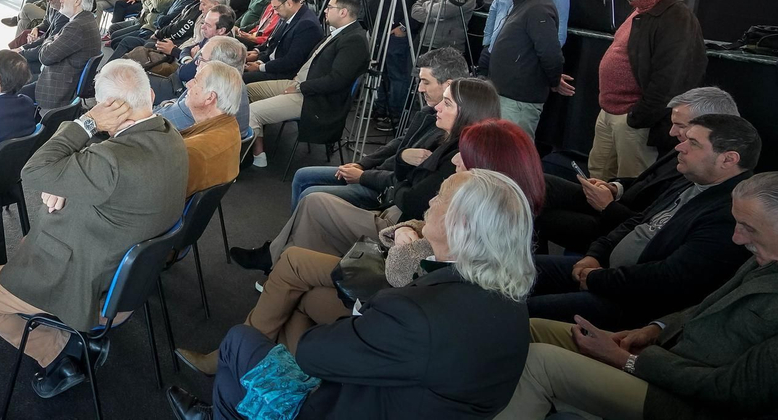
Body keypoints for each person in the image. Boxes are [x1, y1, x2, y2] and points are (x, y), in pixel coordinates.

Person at [499, 172, 778, 420]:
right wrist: (654, 328)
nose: (737, 238)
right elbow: (712, 304)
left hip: (688, 402)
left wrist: (631, 360)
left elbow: (735, 394)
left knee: (540, 362)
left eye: (747, 228)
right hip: (668, 359)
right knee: (531, 328)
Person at [167, 169, 535, 420]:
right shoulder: (513, 307)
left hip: (344, 405)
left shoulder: (418, 316)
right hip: (393, 392)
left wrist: (368, 311)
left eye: (439, 199)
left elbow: (312, 354)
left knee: (238, 340)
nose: (429, 205)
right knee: (295, 307)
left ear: (462, 226)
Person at [0, 61, 186, 399]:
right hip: (128, 277)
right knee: (26, 238)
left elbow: (33, 172)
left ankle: (59, 355)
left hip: (91, 289)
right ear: (150, 95)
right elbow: (103, 170)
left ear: (109, 108)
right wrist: (68, 183)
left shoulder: (112, 162)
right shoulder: (170, 135)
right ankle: (77, 345)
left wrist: (88, 123)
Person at [230, 78, 501, 271]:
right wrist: (369, 165)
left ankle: (280, 260)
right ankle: (281, 256)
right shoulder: (438, 128)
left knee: (313, 198)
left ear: (467, 113)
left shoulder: (460, 155)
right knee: (305, 181)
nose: (437, 106)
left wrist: (373, 175)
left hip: (398, 220)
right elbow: (399, 154)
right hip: (388, 191)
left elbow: (410, 198)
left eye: (447, 103)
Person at [528, 114, 759, 330]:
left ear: (728, 159)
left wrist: (596, 278)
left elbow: (668, 279)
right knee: (508, 268)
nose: (679, 145)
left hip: (630, 303)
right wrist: (595, 255)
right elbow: (638, 221)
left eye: (694, 143)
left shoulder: (731, 214)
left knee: (524, 309)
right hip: (607, 272)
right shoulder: (694, 180)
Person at [540, 87, 739, 252]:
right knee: (538, 185)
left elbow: (651, 225)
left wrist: (608, 207)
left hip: (618, 226)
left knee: (530, 215)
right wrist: (615, 188)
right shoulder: (684, 147)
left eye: (680, 125)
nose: (672, 133)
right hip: (617, 205)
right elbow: (647, 181)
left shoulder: (703, 169)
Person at [289, 47, 469, 209]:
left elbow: (406, 183)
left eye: (426, 82)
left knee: (309, 194)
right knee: (303, 176)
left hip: (386, 190)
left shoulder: (450, 129)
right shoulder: (430, 111)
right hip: (377, 175)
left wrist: (364, 176)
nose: (420, 89)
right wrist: (362, 164)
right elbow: (401, 143)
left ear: (448, 84)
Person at [580, 0, 706, 180]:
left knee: (630, 183)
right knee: (599, 176)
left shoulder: (676, 18)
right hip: (612, 112)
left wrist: (638, 117)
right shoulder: (643, 9)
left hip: (633, 119)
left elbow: (670, 79)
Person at [246, 0, 369, 168]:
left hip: (313, 98)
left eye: (330, 7)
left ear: (343, 12)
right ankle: (252, 140)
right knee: (247, 89)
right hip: (300, 85)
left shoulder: (354, 40)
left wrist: (302, 87)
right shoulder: (341, 33)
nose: (325, 10)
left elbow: (336, 81)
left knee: (252, 111)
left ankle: (257, 156)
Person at [478, 0, 563, 135]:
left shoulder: (539, 9)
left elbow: (550, 54)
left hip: (518, 100)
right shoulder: (525, 3)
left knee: (512, 155)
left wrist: (554, 80)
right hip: (505, 95)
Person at [156, 35, 253, 136]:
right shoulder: (236, 84)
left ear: (217, 66)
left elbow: (157, 121)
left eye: (201, 59)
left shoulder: (204, 99)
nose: (197, 63)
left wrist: (163, 105)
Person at [26, 0, 101, 110]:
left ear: (77, 1)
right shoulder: (87, 20)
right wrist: (53, 39)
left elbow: (45, 57)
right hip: (66, 80)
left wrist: (49, 40)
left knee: (14, 90)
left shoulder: (76, 26)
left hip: (56, 89)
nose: (61, 0)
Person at [179, 62, 244, 195]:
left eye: (196, 81)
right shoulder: (230, 124)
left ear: (209, 98)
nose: (188, 84)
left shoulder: (192, 151)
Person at [241, 0, 324, 85]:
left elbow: (291, 61)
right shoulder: (290, 15)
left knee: (239, 78)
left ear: (289, 3)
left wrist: (260, 67)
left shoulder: (307, 25)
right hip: (273, 65)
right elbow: (273, 44)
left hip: (284, 74)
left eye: (276, 8)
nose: (275, 12)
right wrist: (259, 60)